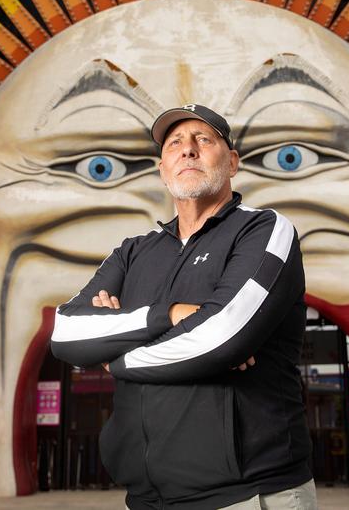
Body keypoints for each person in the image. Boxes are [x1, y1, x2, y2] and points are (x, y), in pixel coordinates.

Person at [51, 103, 317, 510]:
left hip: (246, 494)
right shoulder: (132, 252)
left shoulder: (264, 230)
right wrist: (169, 316)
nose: (187, 150)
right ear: (163, 169)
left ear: (231, 163)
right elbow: (66, 332)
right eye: (175, 143)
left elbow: (220, 337)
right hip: (145, 498)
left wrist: (113, 359)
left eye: (203, 140)